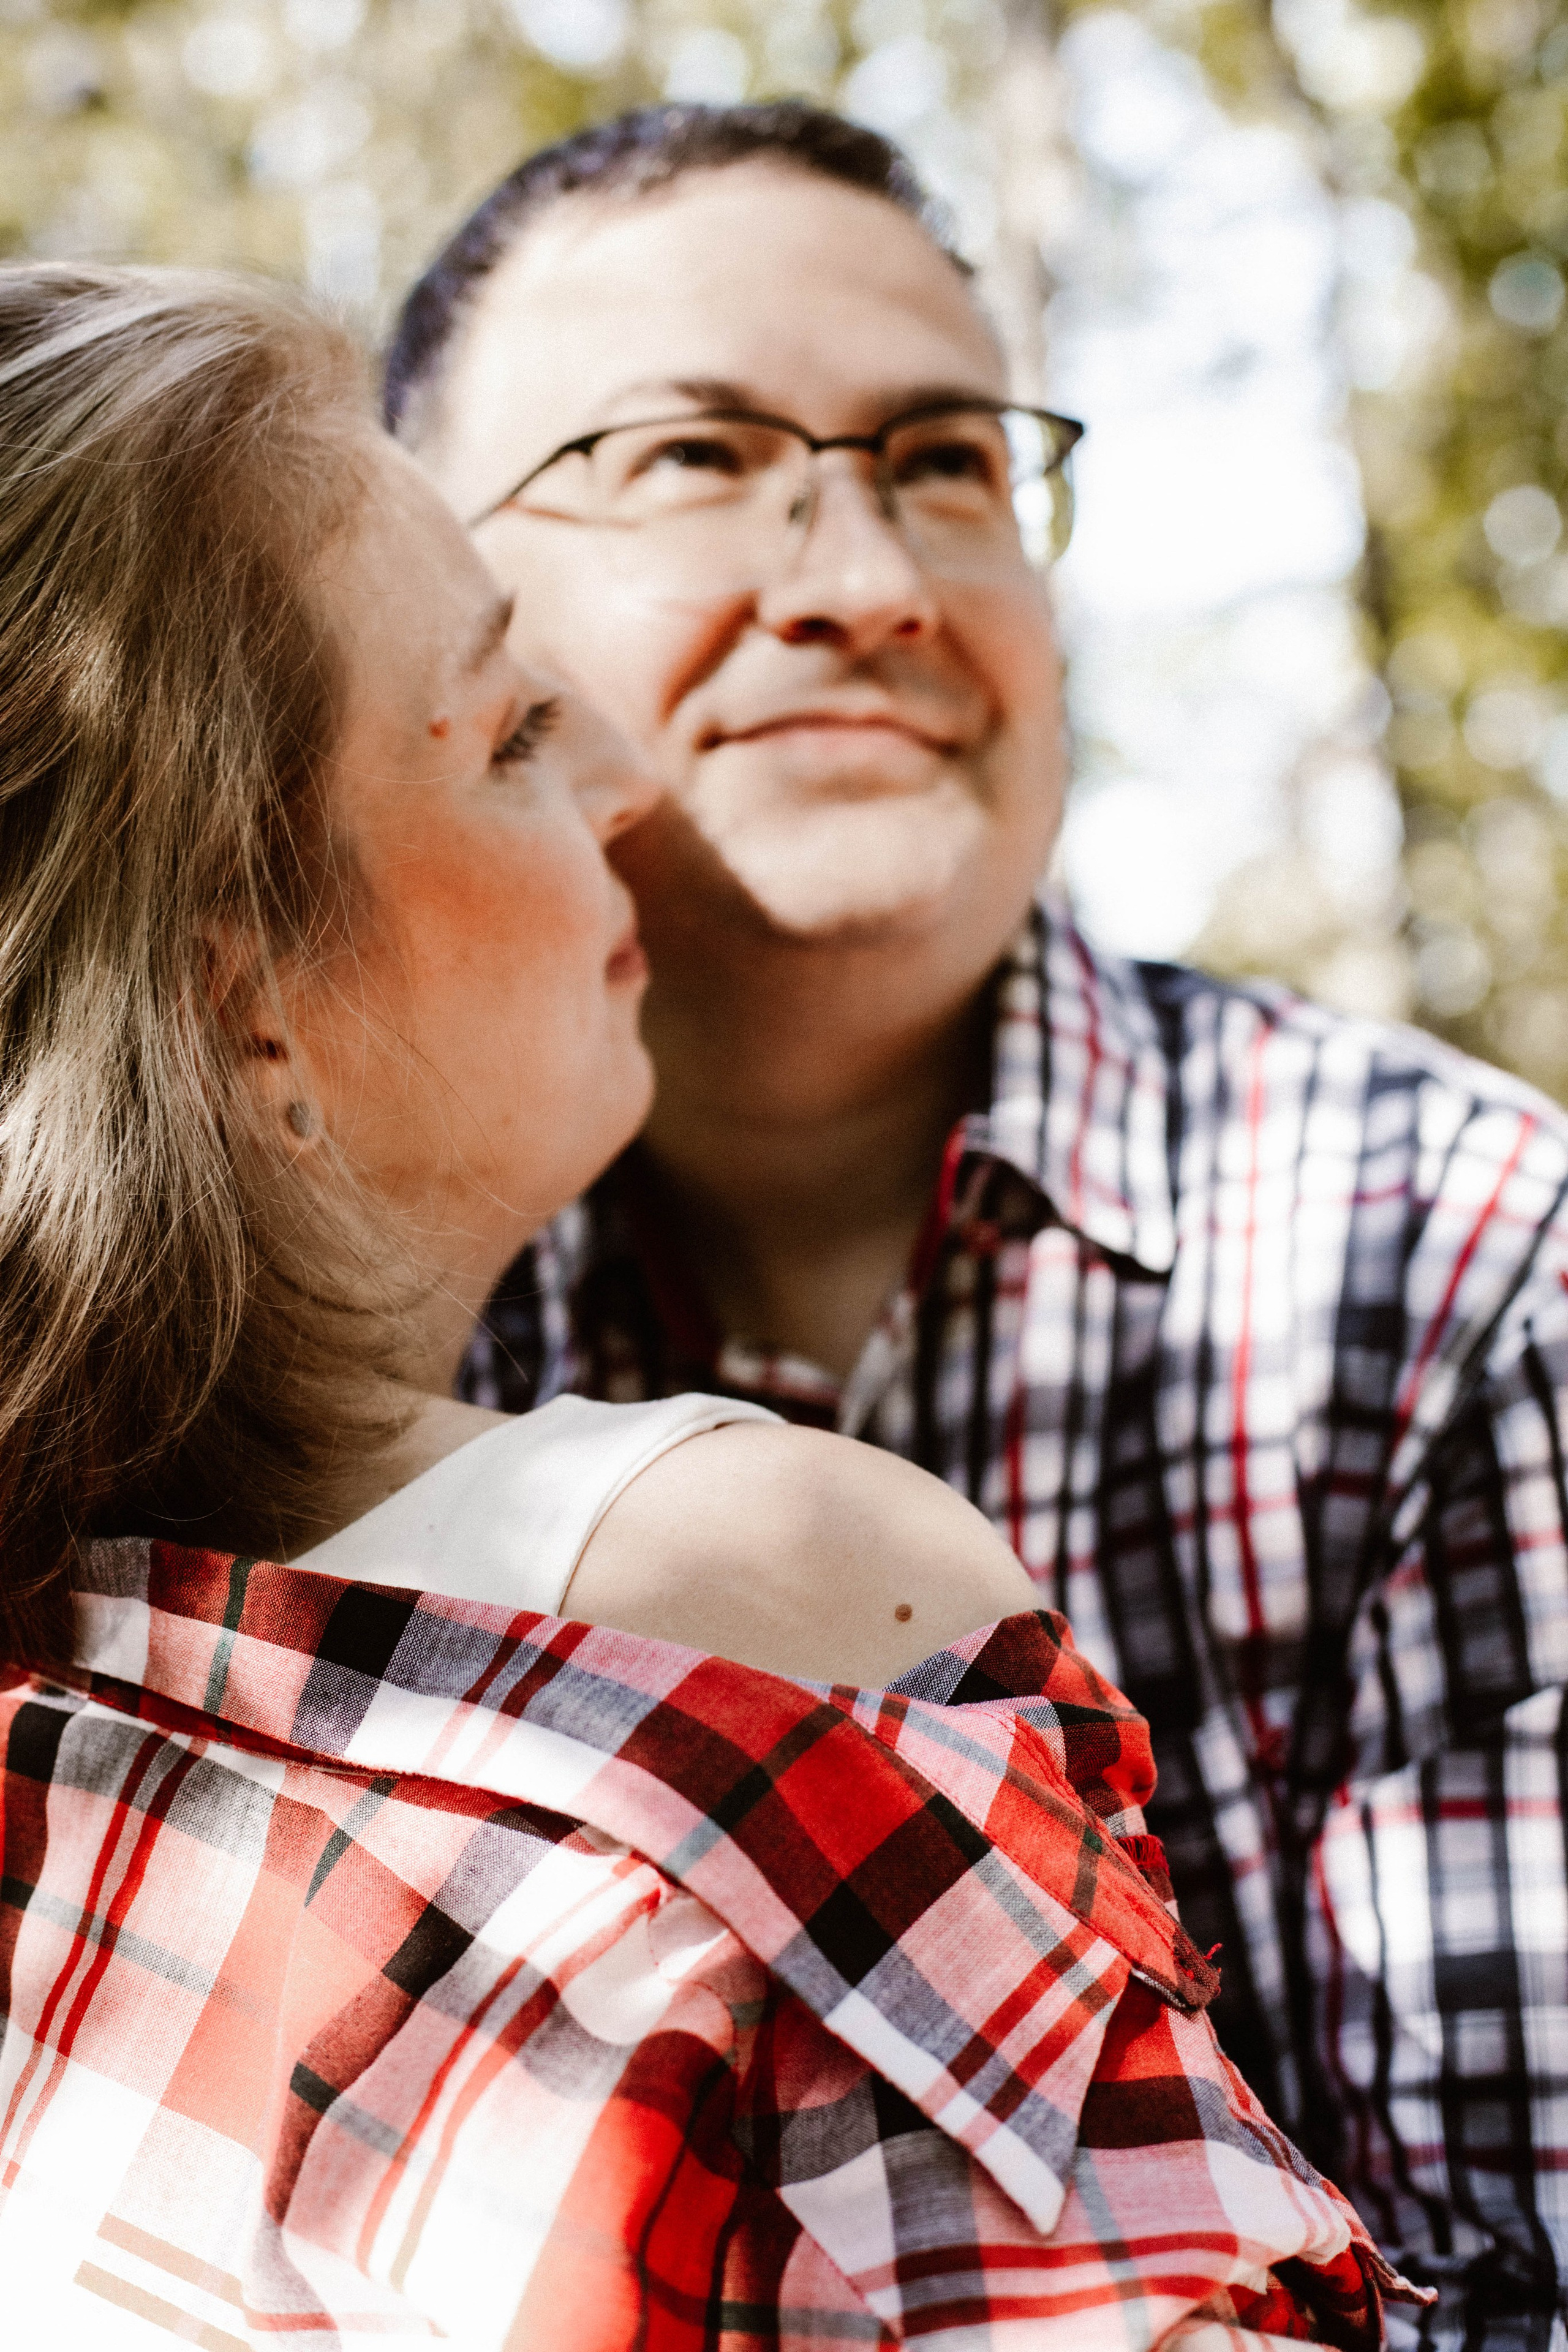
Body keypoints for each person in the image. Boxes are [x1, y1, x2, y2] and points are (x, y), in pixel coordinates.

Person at [0, 263, 1420, 2348]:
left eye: (954, 462)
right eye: (506, 730)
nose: (621, 783)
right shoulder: (765, 1590)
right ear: (250, 1012)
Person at [385, 100, 1568, 2349]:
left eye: (946, 461)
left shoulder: (1466, 1272)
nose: (870, 578)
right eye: (695, 455)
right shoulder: (265, 1299)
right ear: (428, 605)